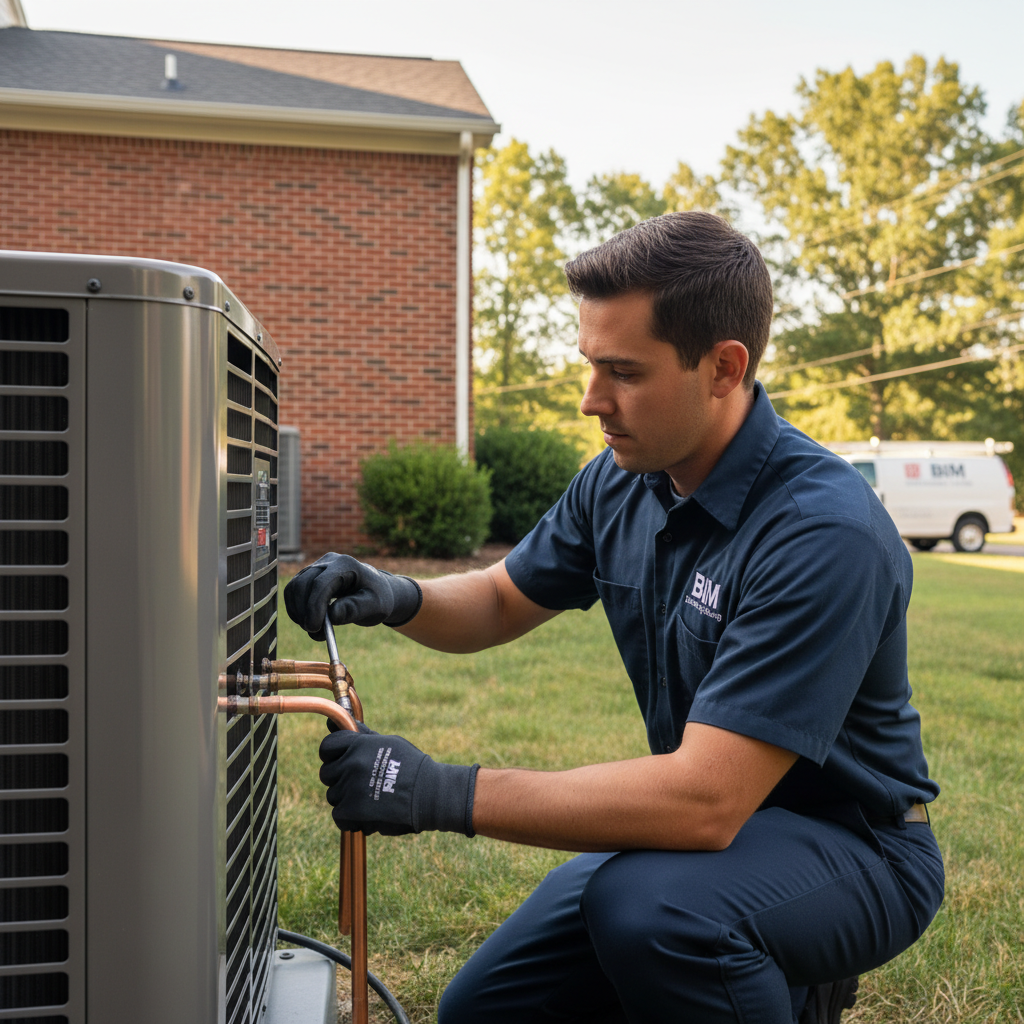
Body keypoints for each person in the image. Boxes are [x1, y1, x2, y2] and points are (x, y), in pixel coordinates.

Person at [284, 212, 944, 1024]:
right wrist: (393, 594)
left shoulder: (821, 532)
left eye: (624, 372)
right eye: (591, 364)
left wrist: (434, 791)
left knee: (654, 913)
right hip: (708, 844)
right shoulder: (622, 479)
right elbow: (499, 598)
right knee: (484, 1011)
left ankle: (783, 968)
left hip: (856, 847)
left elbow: (704, 800)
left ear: (723, 368)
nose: (591, 399)